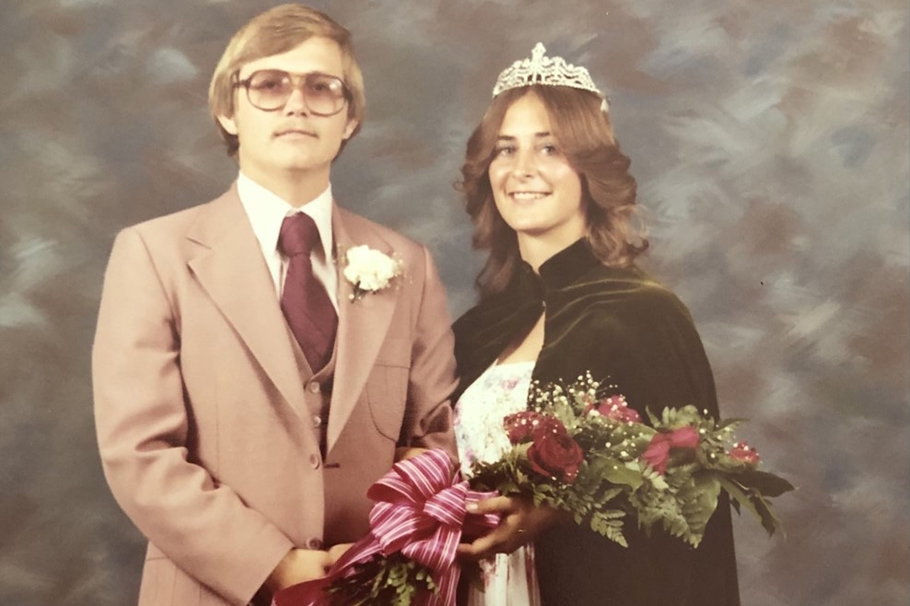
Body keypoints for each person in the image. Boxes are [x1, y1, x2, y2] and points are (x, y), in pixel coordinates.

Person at [92, 5, 458, 606]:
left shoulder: (408, 263)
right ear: (227, 110)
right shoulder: (153, 255)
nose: (297, 104)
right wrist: (276, 564)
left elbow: (435, 438)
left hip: (373, 589)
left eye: (322, 87)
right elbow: (140, 454)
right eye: (269, 84)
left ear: (349, 119)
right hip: (210, 591)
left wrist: (379, 549)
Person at [452, 44, 740, 606]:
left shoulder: (642, 314)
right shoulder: (478, 329)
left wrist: (555, 509)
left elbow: (683, 510)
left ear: (589, 167)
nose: (522, 170)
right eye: (505, 149)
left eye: (550, 148)